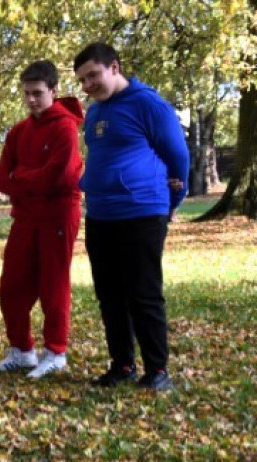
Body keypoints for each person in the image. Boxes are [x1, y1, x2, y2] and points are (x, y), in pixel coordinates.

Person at [73, 42, 189, 391]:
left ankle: (157, 371)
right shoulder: (94, 112)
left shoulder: (148, 104)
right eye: (81, 79)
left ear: (114, 67)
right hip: (101, 215)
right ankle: (122, 364)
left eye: (93, 75)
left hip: (141, 213)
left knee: (143, 294)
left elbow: (178, 157)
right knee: (109, 295)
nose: (88, 84)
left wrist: (173, 200)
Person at [0, 60, 84, 378]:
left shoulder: (65, 126)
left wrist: (21, 177)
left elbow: (62, 177)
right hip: (25, 218)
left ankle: (56, 351)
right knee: (11, 286)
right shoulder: (18, 131)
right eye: (26, 93)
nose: (31, 100)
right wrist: (29, 179)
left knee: (52, 285)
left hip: (58, 216)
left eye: (37, 93)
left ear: (53, 91)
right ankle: (22, 351)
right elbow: (2, 180)